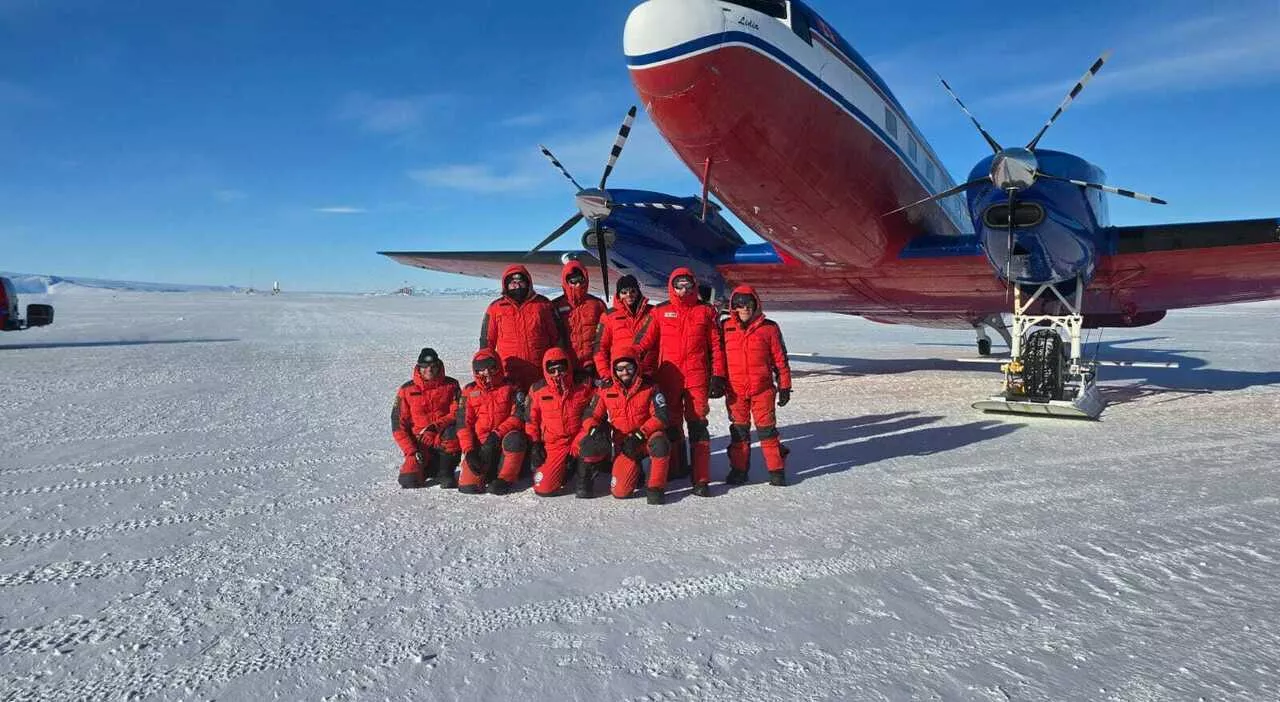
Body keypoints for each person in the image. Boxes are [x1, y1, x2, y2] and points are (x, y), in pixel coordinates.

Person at [636, 267, 727, 497]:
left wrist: (718, 375)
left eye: (687, 285)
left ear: (694, 286)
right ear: (671, 287)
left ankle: (701, 478)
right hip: (669, 378)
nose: (683, 290)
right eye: (679, 285)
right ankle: (674, 469)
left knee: (698, 425)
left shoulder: (706, 312)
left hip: (696, 378)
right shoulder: (660, 312)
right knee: (671, 425)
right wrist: (627, 366)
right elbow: (642, 344)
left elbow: (716, 347)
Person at [721, 285, 793, 486]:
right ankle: (739, 470)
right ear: (733, 307)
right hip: (735, 392)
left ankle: (776, 471)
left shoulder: (769, 328)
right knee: (739, 433)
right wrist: (716, 380)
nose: (745, 309)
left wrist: (785, 385)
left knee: (767, 433)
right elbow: (717, 358)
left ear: (756, 305)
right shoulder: (725, 328)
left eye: (749, 305)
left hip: (762, 390)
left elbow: (780, 359)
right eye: (740, 305)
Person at [583, 345, 672, 503]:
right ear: (613, 369)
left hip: (646, 437)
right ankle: (634, 471)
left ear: (636, 366)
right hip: (624, 444)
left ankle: (655, 488)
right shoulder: (605, 389)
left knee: (660, 443)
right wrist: (594, 430)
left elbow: (662, 416)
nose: (625, 372)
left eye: (629, 367)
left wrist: (640, 434)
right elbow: (590, 415)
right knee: (620, 492)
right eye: (620, 368)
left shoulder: (650, 387)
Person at [524, 347, 610, 497]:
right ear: (546, 370)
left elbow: (600, 402)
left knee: (596, 437)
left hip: (580, 436)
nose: (557, 373)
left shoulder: (584, 383)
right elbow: (531, 420)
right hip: (554, 443)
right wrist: (535, 443)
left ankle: (586, 475)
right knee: (544, 489)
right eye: (552, 370)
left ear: (568, 366)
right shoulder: (538, 389)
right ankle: (568, 468)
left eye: (561, 368)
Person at [480, 264, 563, 393]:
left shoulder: (543, 304)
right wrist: (485, 367)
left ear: (528, 283)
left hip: (539, 372)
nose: (517, 286)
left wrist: (558, 364)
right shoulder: (496, 308)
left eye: (520, 282)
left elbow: (557, 337)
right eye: (513, 283)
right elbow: (487, 341)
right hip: (509, 373)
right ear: (506, 285)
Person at [456, 349, 528, 495]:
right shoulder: (469, 391)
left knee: (516, 439)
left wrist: (496, 434)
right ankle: (483, 472)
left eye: (491, 367)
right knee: (468, 487)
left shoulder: (512, 386)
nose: (487, 372)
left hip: (502, 441)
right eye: (481, 369)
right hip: (481, 447)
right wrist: (469, 450)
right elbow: (463, 423)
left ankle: (505, 479)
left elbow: (519, 416)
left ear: (498, 366)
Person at [391, 347, 462, 489]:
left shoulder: (451, 385)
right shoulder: (406, 390)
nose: (429, 370)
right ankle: (423, 467)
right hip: (420, 442)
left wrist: (434, 427)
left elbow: (457, 413)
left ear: (438, 366)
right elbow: (398, 425)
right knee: (408, 481)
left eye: (433, 366)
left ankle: (445, 472)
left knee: (455, 430)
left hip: (441, 437)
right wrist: (411, 451)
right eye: (424, 366)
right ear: (418, 367)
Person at [592, 274, 658, 380]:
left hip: (648, 374)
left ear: (638, 292)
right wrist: (605, 373)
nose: (629, 295)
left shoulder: (653, 312)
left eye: (632, 291)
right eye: (624, 292)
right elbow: (599, 348)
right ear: (618, 294)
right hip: (621, 373)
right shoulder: (608, 316)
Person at [552, 260, 608, 380]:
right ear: (566, 281)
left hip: (593, 366)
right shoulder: (555, 306)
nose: (577, 284)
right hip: (565, 367)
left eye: (580, 280)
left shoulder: (597, 304)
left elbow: (606, 336)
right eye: (573, 281)